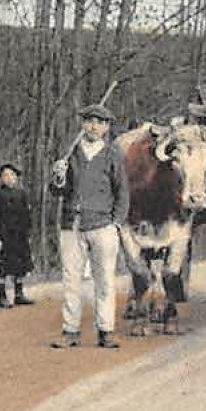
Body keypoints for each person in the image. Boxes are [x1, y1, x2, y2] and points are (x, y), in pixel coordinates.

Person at [50, 103, 129, 349]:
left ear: (106, 127)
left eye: (99, 122)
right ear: (83, 124)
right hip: (72, 225)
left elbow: (122, 192)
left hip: (103, 225)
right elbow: (56, 191)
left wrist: (116, 223)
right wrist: (59, 175)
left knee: (104, 280)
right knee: (71, 280)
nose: (93, 126)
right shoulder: (70, 153)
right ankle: (70, 331)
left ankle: (106, 331)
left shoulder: (113, 154)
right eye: (89, 121)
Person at [0, 163, 35, 309]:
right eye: (6, 175)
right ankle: (2, 297)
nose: (9, 178)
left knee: (20, 265)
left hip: (19, 235)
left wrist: (28, 233)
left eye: (12, 175)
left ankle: (19, 294)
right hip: (2, 235)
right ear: (1, 178)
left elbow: (27, 215)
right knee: (1, 266)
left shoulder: (22, 194)